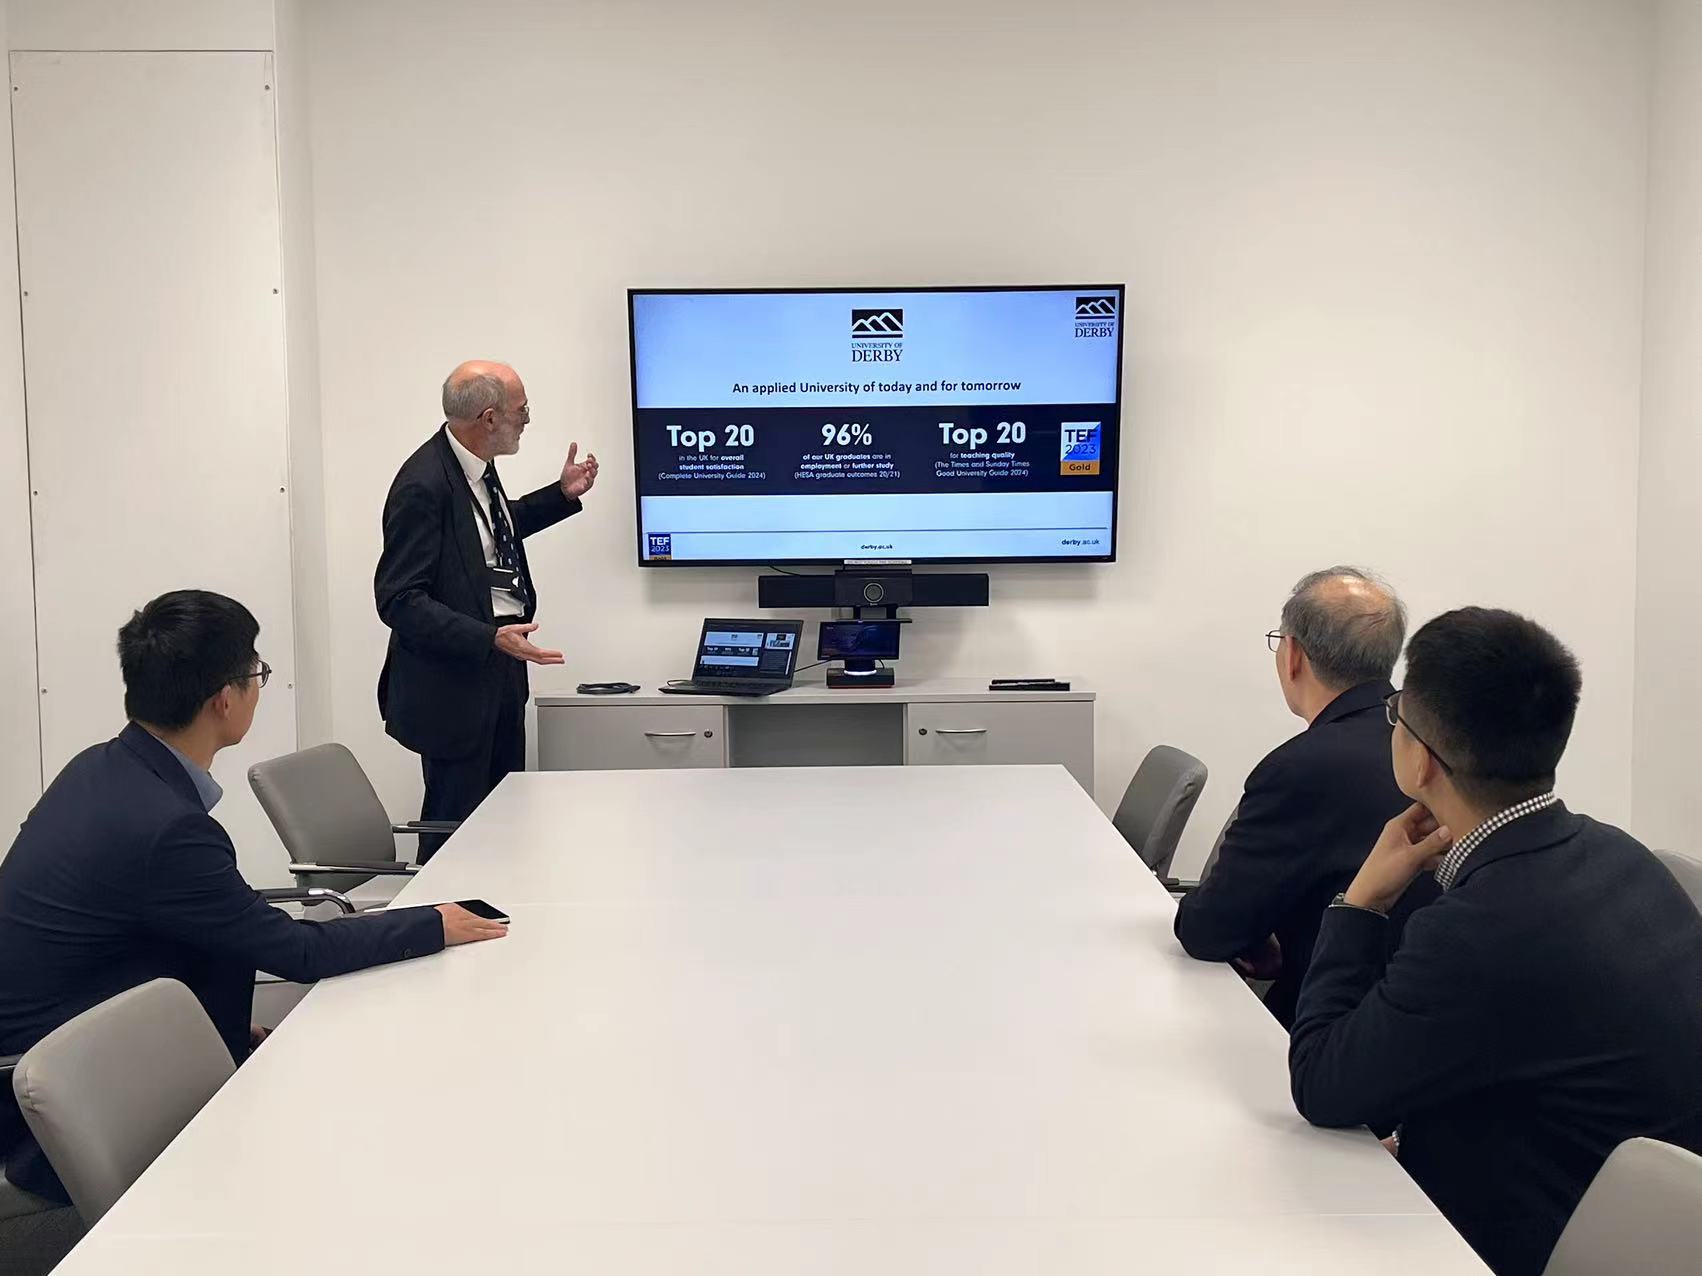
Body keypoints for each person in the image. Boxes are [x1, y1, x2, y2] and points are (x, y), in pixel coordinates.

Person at [0, 590, 507, 1202]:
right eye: (256, 672)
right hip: (65, 1107)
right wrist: (434, 924)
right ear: (224, 698)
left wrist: (220, 1028)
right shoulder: (167, 828)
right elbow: (296, 951)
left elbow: (163, 932)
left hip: (68, 1044)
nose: (259, 686)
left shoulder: (102, 768)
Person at [1289, 608, 1702, 1276]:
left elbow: (1322, 1086)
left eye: (1396, 715)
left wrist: (1361, 902)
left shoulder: (1477, 928)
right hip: (1628, 1220)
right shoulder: (1621, 854)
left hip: (1513, 1241)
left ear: (1421, 758)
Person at [1174, 567, 1434, 1026]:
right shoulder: (1434, 745)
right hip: (1430, 1007)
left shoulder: (1301, 768)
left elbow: (1209, 930)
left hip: (1333, 1022)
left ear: (1292, 655)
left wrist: (1255, 931)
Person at [375, 360, 598, 860]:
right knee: (457, 831)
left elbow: (489, 533)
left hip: (499, 667)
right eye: (523, 411)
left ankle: (498, 903)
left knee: (503, 820)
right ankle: (439, 906)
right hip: (452, 687)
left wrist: (560, 496)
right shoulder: (422, 485)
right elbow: (398, 599)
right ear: (490, 418)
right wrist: (487, 637)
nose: (527, 421)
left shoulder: (474, 466)